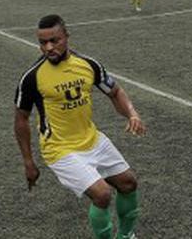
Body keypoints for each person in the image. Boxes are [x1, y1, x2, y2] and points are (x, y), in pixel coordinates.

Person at [15, 14, 144, 239]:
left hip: (92, 140)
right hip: (60, 149)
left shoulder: (88, 65)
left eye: (54, 40)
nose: (48, 47)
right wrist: (28, 161)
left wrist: (131, 113)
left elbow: (115, 91)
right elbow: (21, 119)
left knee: (128, 183)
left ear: (67, 37)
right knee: (102, 195)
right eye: (43, 42)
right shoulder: (32, 78)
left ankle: (126, 236)